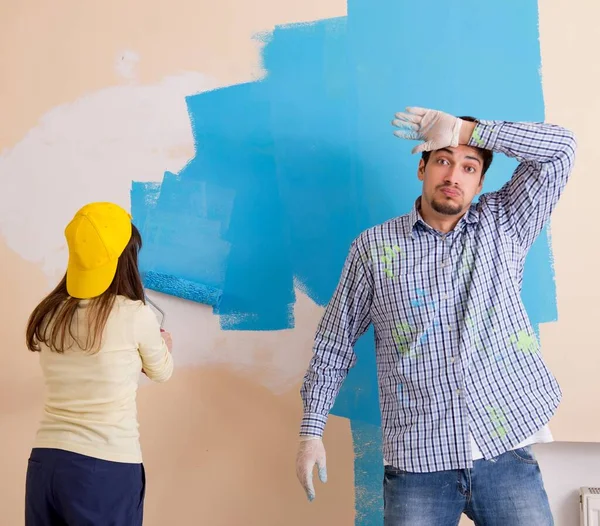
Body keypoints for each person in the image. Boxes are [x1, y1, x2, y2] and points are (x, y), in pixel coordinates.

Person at [295, 107, 576, 525]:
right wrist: (311, 432)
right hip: (418, 461)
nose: (453, 176)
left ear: (480, 182)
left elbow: (561, 150)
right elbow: (334, 342)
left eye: (468, 166)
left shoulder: (505, 225)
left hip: (504, 448)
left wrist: (467, 131)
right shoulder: (374, 249)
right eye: (443, 160)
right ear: (422, 167)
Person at [24, 202, 174, 526]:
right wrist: (164, 346)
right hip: (103, 468)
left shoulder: (51, 314)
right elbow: (162, 371)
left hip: (44, 465)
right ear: (126, 259)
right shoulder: (135, 315)